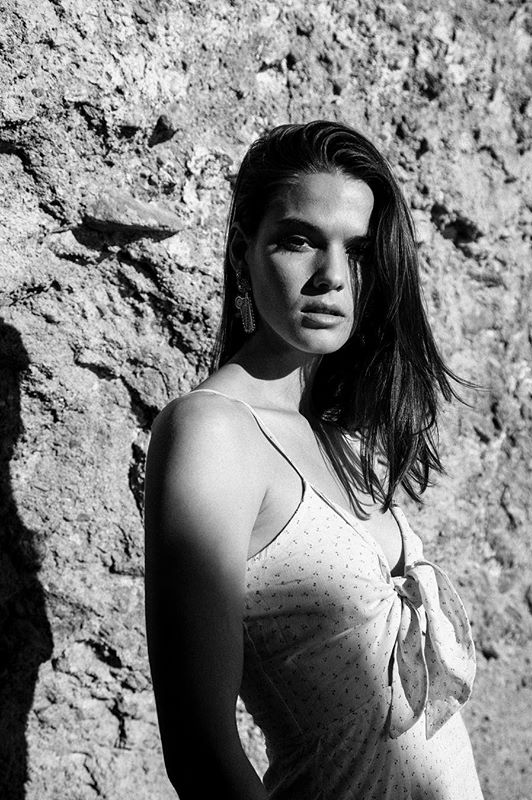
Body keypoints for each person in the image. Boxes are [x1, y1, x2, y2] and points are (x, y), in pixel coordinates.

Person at [144, 120, 484, 800]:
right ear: (243, 252)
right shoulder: (212, 433)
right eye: (299, 240)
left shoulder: (338, 433)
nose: (332, 276)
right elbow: (200, 752)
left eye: (357, 250)